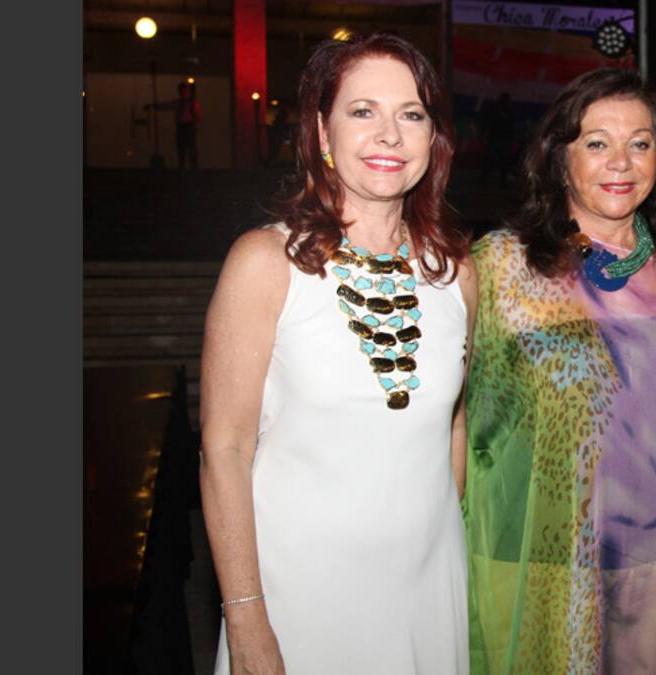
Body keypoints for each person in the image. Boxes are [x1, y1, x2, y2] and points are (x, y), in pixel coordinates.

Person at [200, 33, 475, 675]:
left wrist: (435, 547)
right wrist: (245, 616)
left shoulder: (456, 272)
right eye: (363, 111)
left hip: (427, 592)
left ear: (434, 138)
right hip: (299, 596)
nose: (390, 134)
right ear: (323, 133)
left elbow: (453, 425)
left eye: (412, 114)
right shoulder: (265, 263)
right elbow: (224, 449)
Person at [463, 68, 656, 674]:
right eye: (597, 143)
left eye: (640, 143)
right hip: (530, 560)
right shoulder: (499, 268)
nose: (620, 162)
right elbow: (456, 419)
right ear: (560, 159)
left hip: (655, 565)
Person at [175, 82, 202, 169]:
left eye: (184, 90)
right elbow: (167, 105)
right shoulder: (178, 102)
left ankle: (193, 168)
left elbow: (198, 114)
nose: (183, 92)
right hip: (180, 127)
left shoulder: (192, 102)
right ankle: (181, 167)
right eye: (181, 90)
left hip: (189, 127)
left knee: (191, 149)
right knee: (181, 149)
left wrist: (196, 125)